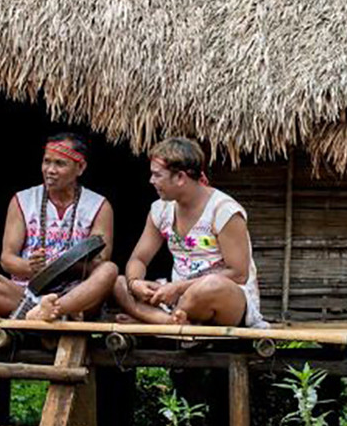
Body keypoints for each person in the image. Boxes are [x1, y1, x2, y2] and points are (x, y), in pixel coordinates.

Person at [0, 132, 120, 320]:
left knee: (109, 270)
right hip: (25, 294)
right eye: (47, 162)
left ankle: (51, 311)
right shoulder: (22, 200)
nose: (50, 169)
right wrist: (30, 266)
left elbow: (99, 261)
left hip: (75, 294)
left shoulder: (99, 206)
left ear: (80, 167)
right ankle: (45, 313)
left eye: (60, 163)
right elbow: (7, 260)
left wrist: (59, 267)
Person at [113, 137, 266, 328]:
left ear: (180, 178)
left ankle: (158, 320)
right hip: (179, 298)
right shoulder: (160, 210)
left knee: (209, 286)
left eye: (157, 175)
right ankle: (174, 322)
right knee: (119, 284)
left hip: (226, 301)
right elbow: (139, 259)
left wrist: (178, 288)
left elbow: (239, 274)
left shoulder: (224, 211)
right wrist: (135, 283)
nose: (151, 181)